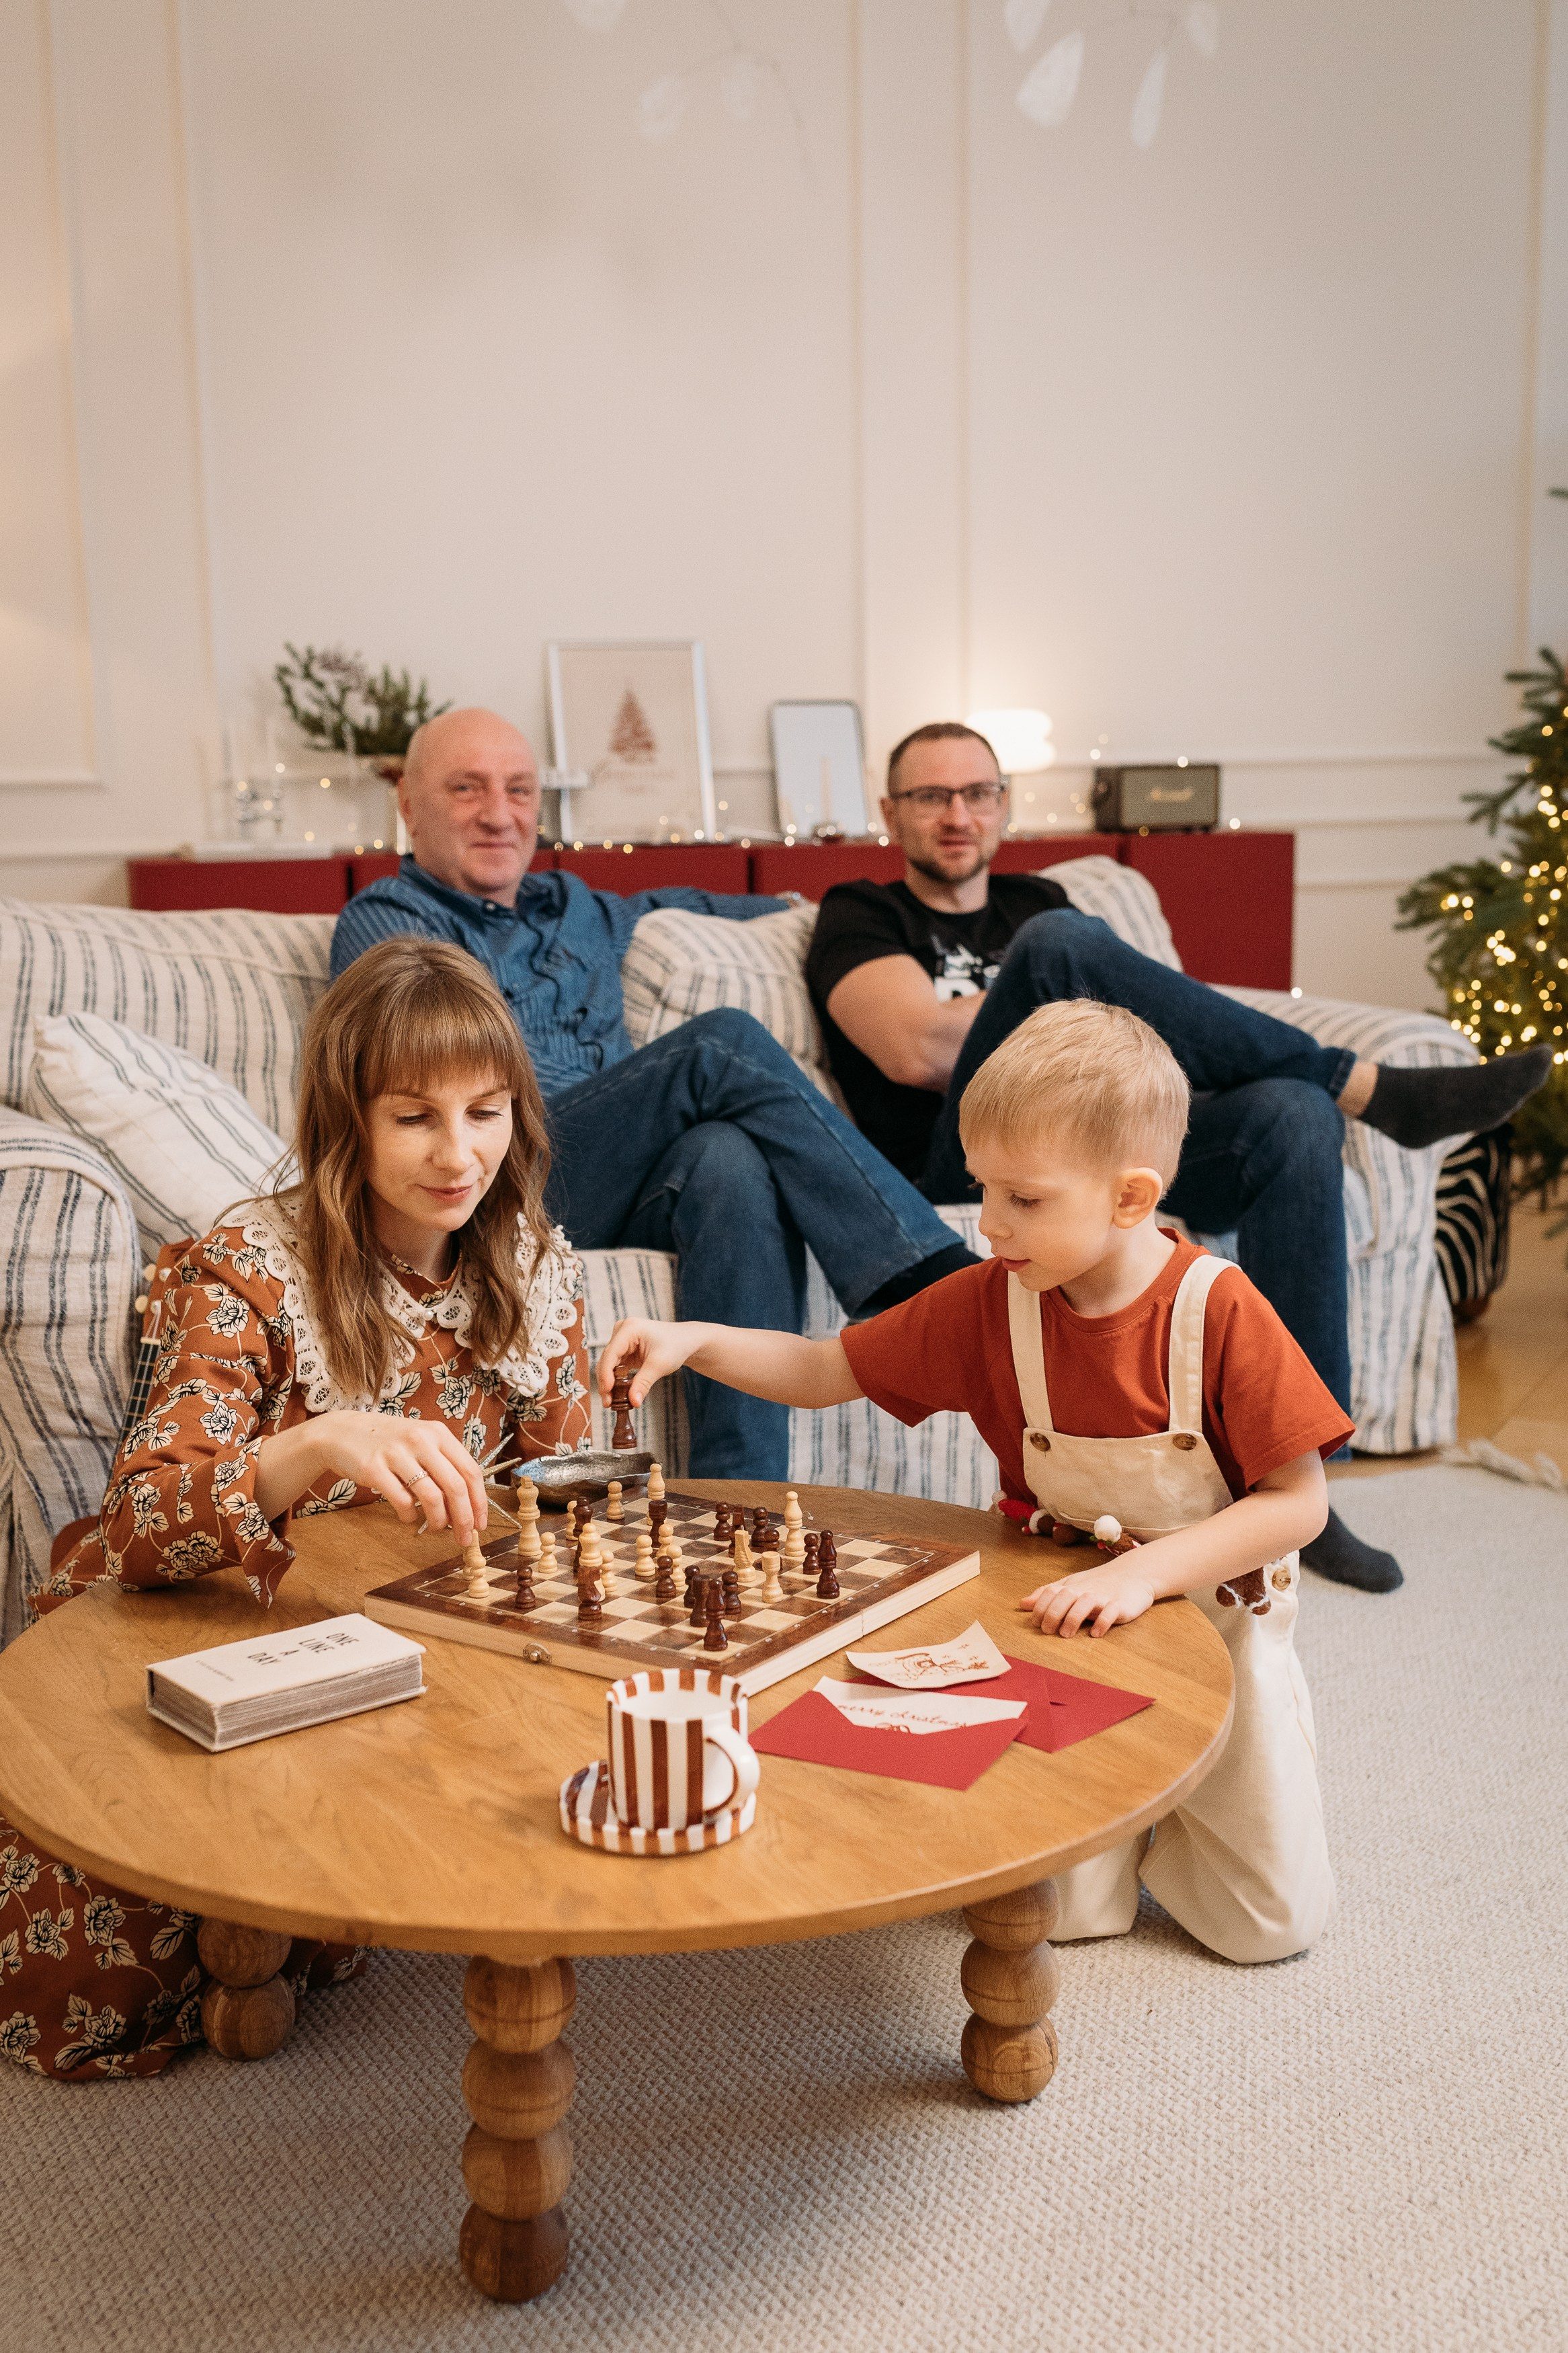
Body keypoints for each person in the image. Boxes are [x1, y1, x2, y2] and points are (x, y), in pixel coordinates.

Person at [596, 1000, 1351, 1964]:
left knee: (1266, 1929)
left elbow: (1299, 1502)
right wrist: (696, 1339)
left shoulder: (1220, 1309)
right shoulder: (994, 1299)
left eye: (1023, 1200)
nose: (989, 1225)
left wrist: (1139, 1575)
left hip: (1220, 1627)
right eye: (982, 1189)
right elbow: (827, 1371)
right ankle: (1122, 1824)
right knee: (1065, 1916)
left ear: (1130, 1198)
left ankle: (1188, 1813)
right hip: (1067, 1634)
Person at [2, 938, 592, 2079]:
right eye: (414, 1117)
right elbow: (141, 1525)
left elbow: (553, 1505)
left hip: (401, 1632)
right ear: (346, 1118)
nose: (459, 1153)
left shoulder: (528, 1263)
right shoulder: (250, 1264)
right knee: (105, 1984)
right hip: (215, 1620)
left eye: (485, 1112)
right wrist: (311, 1443)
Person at [805, 721, 1552, 1594]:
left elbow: (1138, 1045)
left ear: (1004, 805)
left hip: (1093, 1155)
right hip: (977, 1160)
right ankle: (1376, 1092)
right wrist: (1052, 992)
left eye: (977, 793)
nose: (957, 814)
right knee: (1056, 951)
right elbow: (919, 1049)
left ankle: (1308, 1476)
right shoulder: (859, 912)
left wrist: (1099, 1008)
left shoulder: (1034, 893)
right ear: (892, 812)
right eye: (931, 796)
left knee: (1289, 1110)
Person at [330, 708, 975, 1479]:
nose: (499, 814)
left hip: (595, 1182)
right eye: (466, 789)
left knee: (725, 1158)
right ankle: (934, 1289)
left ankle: (741, 1500)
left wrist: (820, 912)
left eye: (518, 789)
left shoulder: (582, 906)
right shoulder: (389, 922)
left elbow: (741, 906)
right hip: (485, 1171)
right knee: (720, 1043)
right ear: (407, 802)